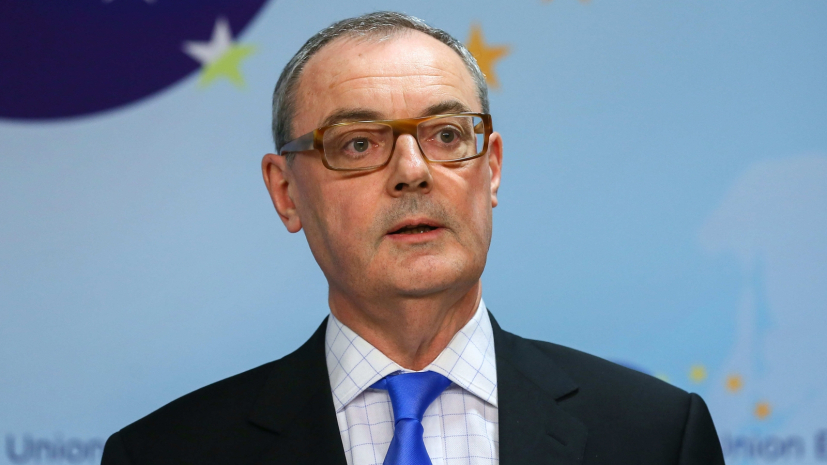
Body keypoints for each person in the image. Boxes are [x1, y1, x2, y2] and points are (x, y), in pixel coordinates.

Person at [101, 11, 725, 465]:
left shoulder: (655, 436)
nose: (412, 171)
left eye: (447, 136)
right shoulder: (165, 453)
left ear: (492, 169)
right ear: (285, 191)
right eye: (358, 144)